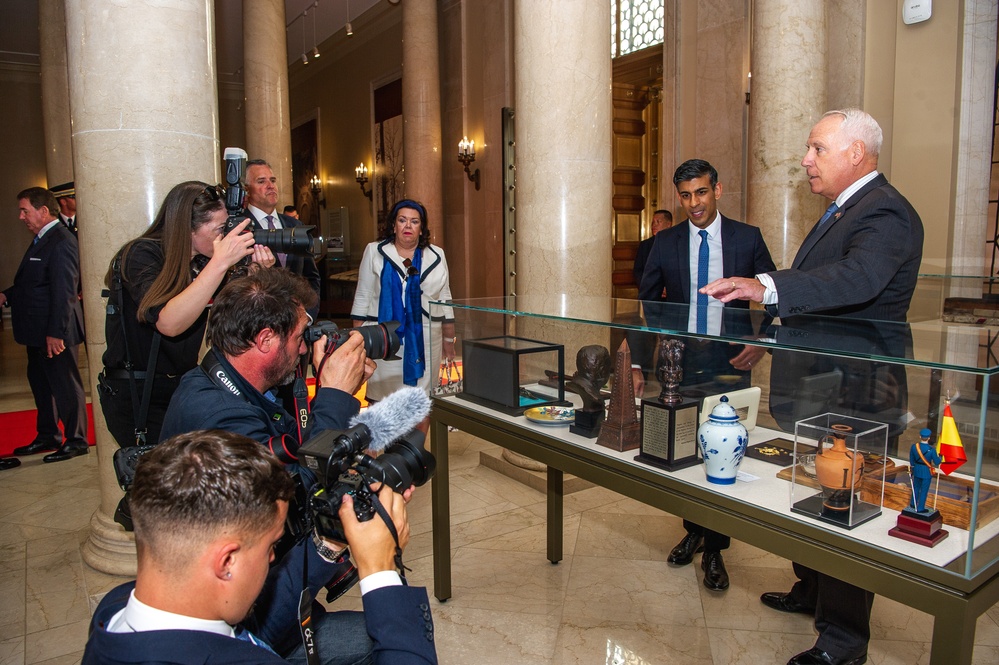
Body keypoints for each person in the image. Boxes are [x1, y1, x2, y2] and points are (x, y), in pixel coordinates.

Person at [702, 108, 924, 665]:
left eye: (817, 149)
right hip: (821, 385)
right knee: (811, 493)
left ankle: (842, 645)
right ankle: (811, 590)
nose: (805, 160)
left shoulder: (887, 212)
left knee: (846, 509)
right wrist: (771, 337)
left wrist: (763, 286)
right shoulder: (843, 210)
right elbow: (821, 296)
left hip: (857, 391)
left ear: (856, 153)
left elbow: (856, 280)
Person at [82, 429, 438, 664]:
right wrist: (380, 572)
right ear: (226, 561)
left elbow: (258, 631)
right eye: (271, 544)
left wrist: (328, 543)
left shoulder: (117, 608)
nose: (272, 557)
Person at [639, 159, 775, 592]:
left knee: (722, 453)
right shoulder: (666, 242)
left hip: (729, 363)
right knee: (683, 449)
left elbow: (775, 295)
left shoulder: (747, 238)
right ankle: (694, 529)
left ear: (718, 189)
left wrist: (763, 341)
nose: (694, 203)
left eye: (701, 192)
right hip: (681, 363)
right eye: (685, 195)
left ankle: (715, 547)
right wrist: (647, 358)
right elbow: (648, 303)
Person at [98, 181, 273, 449]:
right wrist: (220, 263)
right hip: (139, 394)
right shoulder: (140, 254)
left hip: (181, 386)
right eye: (219, 230)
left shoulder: (202, 263)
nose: (224, 239)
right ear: (188, 229)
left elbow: (233, 322)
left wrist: (256, 275)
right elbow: (169, 323)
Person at [160, 268, 374, 472]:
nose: (302, 350)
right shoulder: (224, 420)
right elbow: (302, 490)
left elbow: (304, 445)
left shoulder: (238, 386)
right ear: (265, 340)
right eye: (299, 337)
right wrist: (336, 395)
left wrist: (336, 388)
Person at [1, 187, 88, 463]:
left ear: (43, 211)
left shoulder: (61, 240)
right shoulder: (42, 238)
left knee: (64, 385)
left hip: (54, 333)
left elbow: (64, 291)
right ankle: (48, 435)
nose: (21, 216)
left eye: (25, 210)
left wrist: (55, 333)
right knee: (41, 385)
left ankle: (76, 440)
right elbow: (33, 283)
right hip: (35, 332)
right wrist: (7, 295)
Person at [351, 199, 455, 400]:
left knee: (422, 399)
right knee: (384, 400)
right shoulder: (375, 251)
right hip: (385, 336)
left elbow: (445, 298)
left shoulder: (437, 254)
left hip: (426, 335)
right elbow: (362, 295)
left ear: (422, 228)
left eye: (414, 222)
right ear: (393, 225)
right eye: (402, 220)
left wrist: (449, 340)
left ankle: (418, 434)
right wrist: (358, 339)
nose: (408, 226)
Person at [242, 159, 321, 318]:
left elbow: (311, 277)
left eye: (272, 180)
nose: (270, 185)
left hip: (299, 326)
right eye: (261, 181)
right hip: (259, 322)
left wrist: (308, 315)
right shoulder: (240, 228)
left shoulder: (295, 225)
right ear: (246, 190)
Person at [633, 208, 673, 286]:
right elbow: (638, 271)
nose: (654, 225)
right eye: (653, 222)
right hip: (650, 293)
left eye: (658, 222)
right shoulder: (645, 245)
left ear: (668, 224)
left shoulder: (676, 243)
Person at [909, 428, 941, 513]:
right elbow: (937, 462)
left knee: (916, 487)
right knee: (924, 490)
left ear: (920, 436)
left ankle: (913, 503)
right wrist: (941, 456)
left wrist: (912, 467)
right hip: (926, 472)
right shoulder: (932, 450)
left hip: (917, 469)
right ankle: (920, 508)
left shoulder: (914, 447)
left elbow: (911, 459)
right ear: (929, 438)